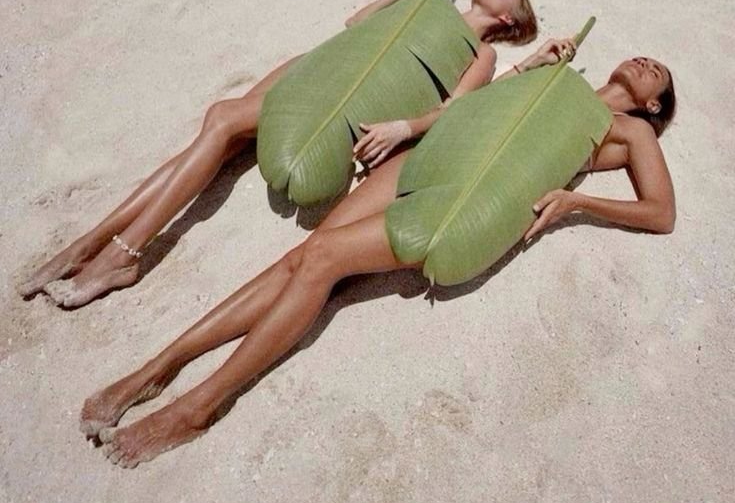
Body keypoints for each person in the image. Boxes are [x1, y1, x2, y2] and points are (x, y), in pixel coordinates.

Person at [80, 49, 676, 467]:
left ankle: (198, 406)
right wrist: (527, 70)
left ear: (654, 106)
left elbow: (660, 212)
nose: (648, 64)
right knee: (304, 256)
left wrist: (577, 201)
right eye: (647, 56)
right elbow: (470, 111)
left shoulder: (630, 131)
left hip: (463, 196)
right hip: (428, 156)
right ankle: (160, 365)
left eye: (660, 75)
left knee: (323, 260)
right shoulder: (555, 77)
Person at [19, 0, 537, 308]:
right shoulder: (427, 1)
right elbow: (356, 23)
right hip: (321, 69)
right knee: (219, 134)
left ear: (507, 17)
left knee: (223, 121)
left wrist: (403, 127)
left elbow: (453, 110)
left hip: (354, 105)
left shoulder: (484, 55)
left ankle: (118, 253)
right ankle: (94, 247)